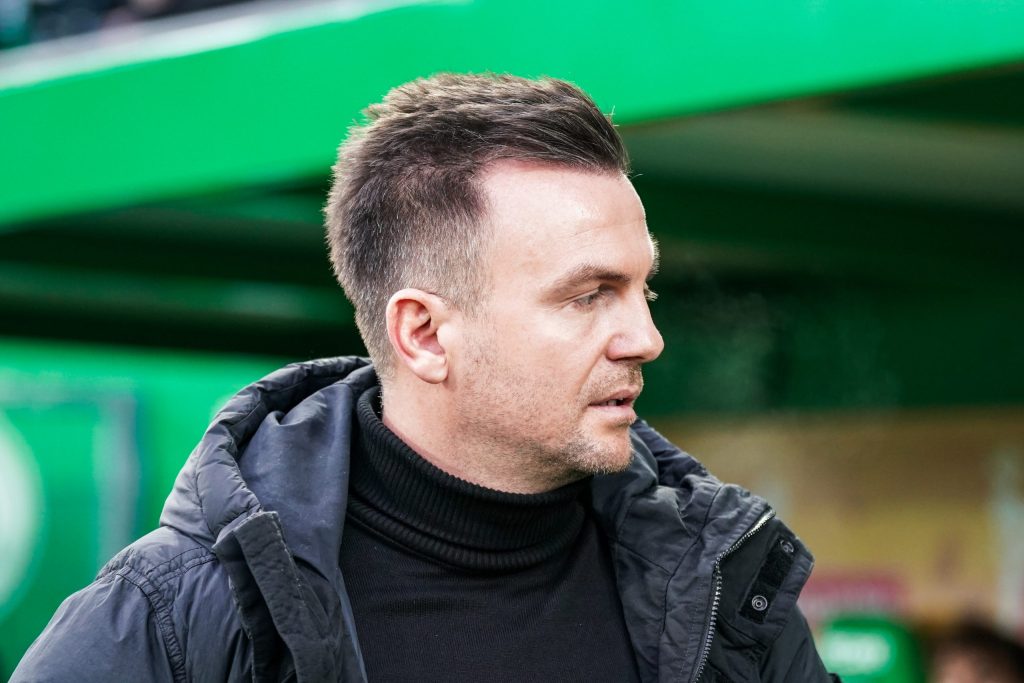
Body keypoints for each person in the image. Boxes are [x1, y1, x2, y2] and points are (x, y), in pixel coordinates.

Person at [13, 73, 835, 682]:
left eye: (641, 289)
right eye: (589, 295)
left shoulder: (722, 590)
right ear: (425, 334)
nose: (645, 339)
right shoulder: (175, 618)